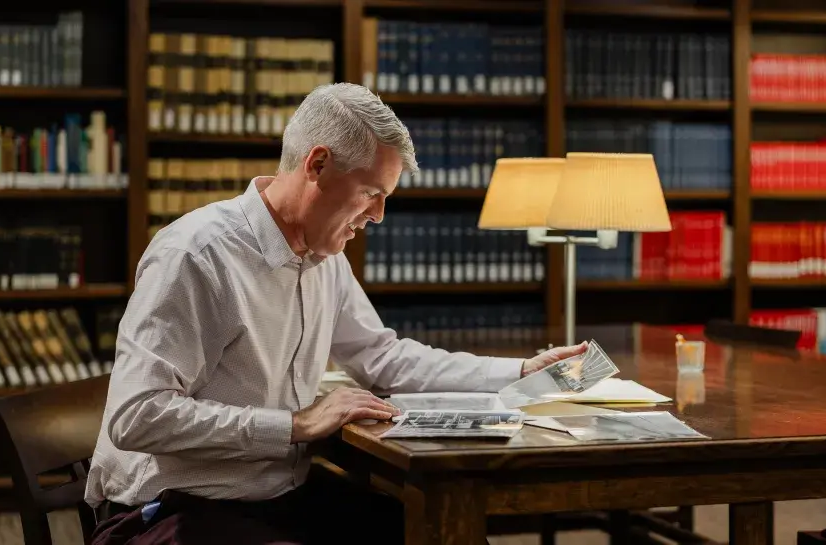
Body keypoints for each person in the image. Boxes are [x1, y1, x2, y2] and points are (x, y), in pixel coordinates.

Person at [84, 82, 590, 545]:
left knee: (444, 532)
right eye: (372, 193)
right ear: (318, 165)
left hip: (274, 502)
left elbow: (384, 357)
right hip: (168, 513)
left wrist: (519, 373)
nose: (378, 216)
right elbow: (137, 417)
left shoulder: (324, 258)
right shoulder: (195, 255)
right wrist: (295, 424)